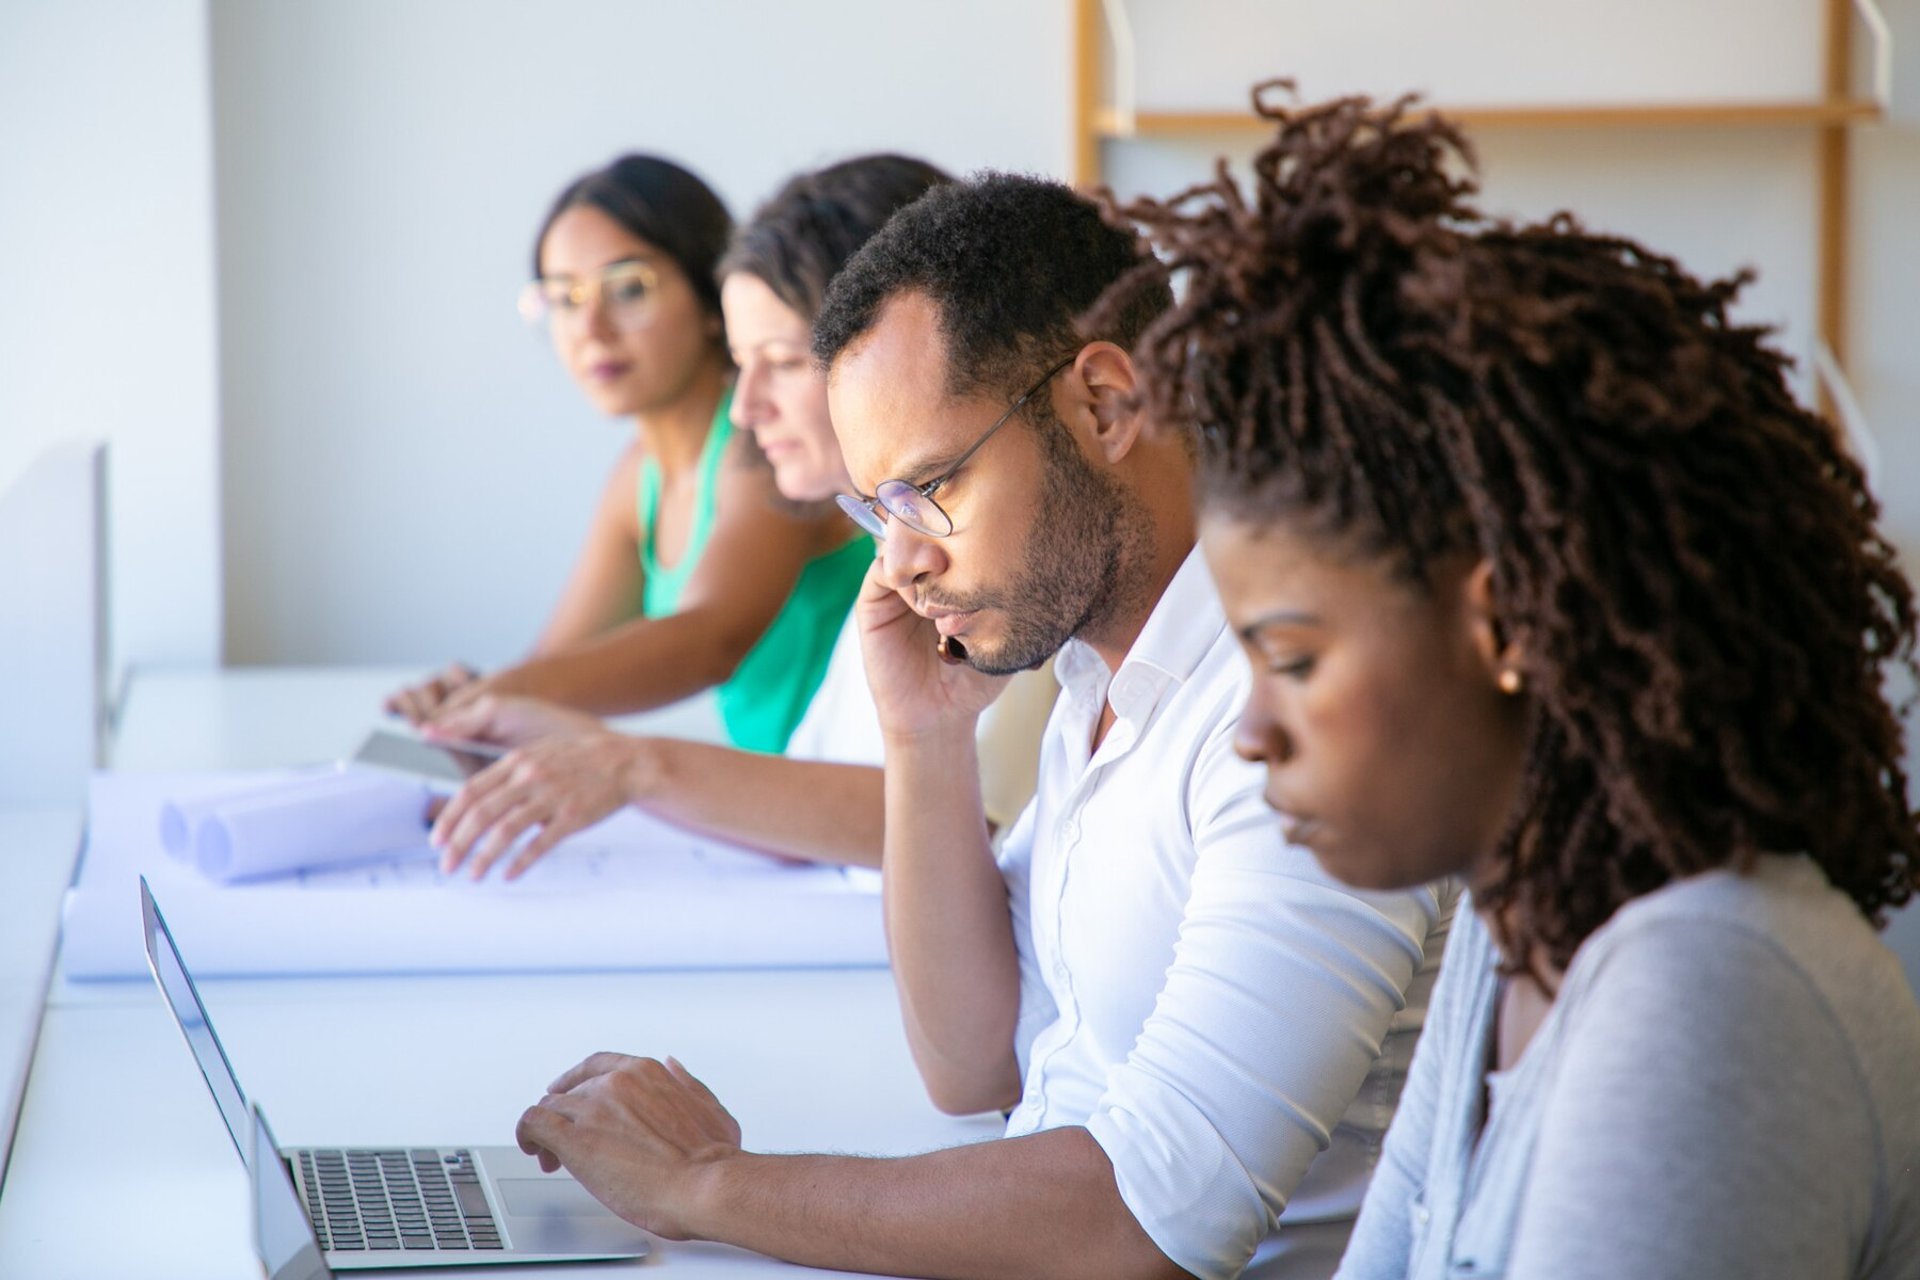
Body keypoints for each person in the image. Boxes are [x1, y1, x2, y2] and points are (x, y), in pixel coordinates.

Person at [504, 173, 1456, 1280]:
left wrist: (706, 1182)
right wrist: (923, 737)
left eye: (928, 489)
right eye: (875, 512)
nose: (899, 563)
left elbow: (1146, 1221)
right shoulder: (1103, 662)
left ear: (1103, 404)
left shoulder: (1300, 715)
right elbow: (974, 1062)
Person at [1117, 89, 1920, 1279]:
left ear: (1505, 622)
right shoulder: (1520, 935)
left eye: (1291, 658)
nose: (1251, 731)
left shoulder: (1705, 995)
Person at [419, 153, 1055, 879]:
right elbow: (825, 796)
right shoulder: (887, 575)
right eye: (561, 297)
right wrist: (544, 730)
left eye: (781, 362)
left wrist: (632, 765)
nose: (747, 410)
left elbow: (967, 824)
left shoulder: (1000, 563)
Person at [386, 154, 862, 754]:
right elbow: (557, 667)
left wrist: (502, 697)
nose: (591, 327)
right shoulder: (639, 477)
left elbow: (709, 640)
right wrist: (475, 704)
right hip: (777, 826)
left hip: (842, 814)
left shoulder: (770, 444)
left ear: (710, 296)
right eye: (563, 298)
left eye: (628, 288)